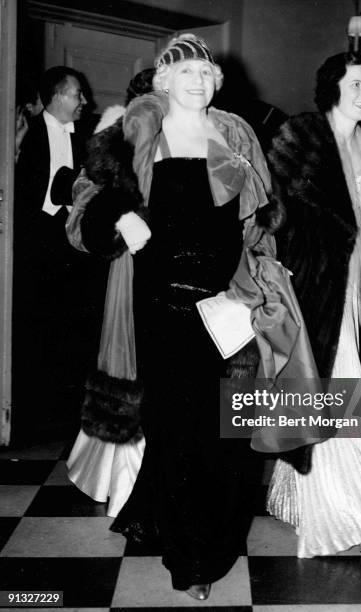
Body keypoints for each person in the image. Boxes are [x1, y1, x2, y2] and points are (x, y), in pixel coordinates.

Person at [65, 34, 279, 600]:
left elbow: (259, 218)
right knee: (179, 430)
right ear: (162, 78)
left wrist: (260, 279)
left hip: (227, 300)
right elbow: (83, 199)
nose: (197, 80)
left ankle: (214, 536)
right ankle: (191, 560)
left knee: (230, 430)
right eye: (184, 70)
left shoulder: (236, 132)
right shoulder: (136, 128)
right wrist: (120, 217)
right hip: (162, 301)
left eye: (207, 71)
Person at [266, 52, 361, 561]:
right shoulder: (300, 137)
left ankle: (310, 505)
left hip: (354, 290)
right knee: (334, 396)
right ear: (332, 86)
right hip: (310, 287)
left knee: (342, 395)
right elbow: (271, 210)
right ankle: (355, 522)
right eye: (357, 83)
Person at [66, 67, 156, 519]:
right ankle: (127, 487)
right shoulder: (111, 144)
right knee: (131, 370)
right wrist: (118, 218)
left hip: (187, 274)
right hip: (132, 270)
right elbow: (82, 209)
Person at [13, 66, 97, 439]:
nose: (84, 101)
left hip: (73, 239)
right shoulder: (24, 133)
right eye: (77, 94)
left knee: (74, 324)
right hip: (36, 240)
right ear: (58, 97)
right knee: (37, 324)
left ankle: (70, 409)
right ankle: (36, 409)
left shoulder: (90, 135)